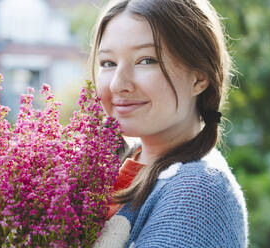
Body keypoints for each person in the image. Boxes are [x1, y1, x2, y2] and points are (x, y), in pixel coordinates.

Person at [89, 0, 248, 247]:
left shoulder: (197, 191)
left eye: (146, 60)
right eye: (108, 63)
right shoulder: (114, 169)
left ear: (200, 76)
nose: (117, 84)